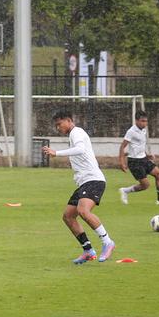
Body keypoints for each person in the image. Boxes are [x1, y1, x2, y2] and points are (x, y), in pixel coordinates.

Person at [42, 110, 116, 264]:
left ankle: (107, 242)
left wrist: (57, 153)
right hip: (84, 182)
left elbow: (80, 149)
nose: (58, 128)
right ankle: (88, 250)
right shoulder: (72, 135)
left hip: (94, 180)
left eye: (59, 124)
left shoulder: (77, 132)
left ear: (69, 121)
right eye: (56, 126)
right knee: (68, 216)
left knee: (83, 210)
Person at [117, 111, 159, 206]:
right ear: (136, 121)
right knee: (145, 185)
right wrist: (122, 162)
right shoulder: (131, 132)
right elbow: (122, 146)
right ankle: (125, 191)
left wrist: (147, 155)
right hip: (134, 162)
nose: (145, 123)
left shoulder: (143, 130)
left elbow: (140, 145)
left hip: (143, 159)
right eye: (142, 121)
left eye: (146, 121)